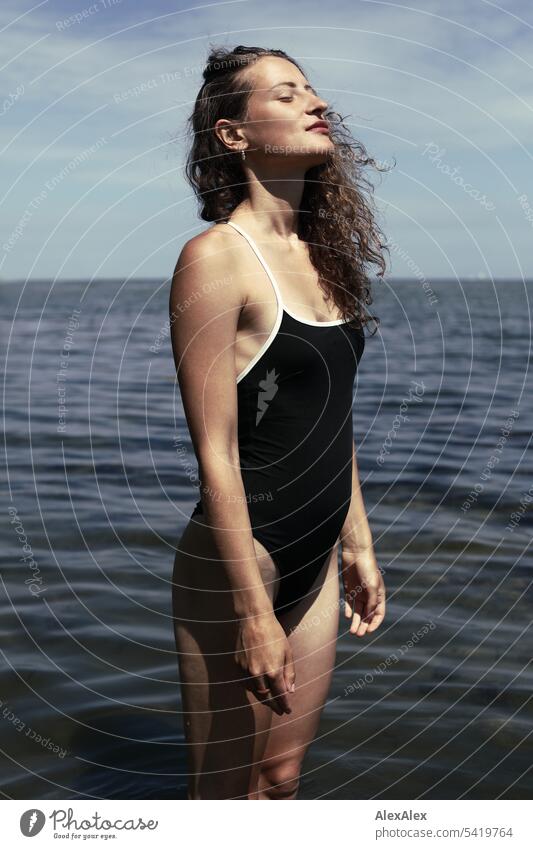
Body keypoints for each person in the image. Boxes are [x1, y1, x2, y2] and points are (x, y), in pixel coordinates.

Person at [169, 44, 389, 800]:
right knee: (223, 794)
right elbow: (217, 453)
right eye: (287, 94)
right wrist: (250, 609)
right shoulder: (215, 258)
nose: (314, 103)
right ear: (233, 133)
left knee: (282, 775)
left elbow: (329, 415)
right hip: (244, 560)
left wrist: (357, 540)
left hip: (318, 553)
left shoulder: (322, 255)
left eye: (313, 92)